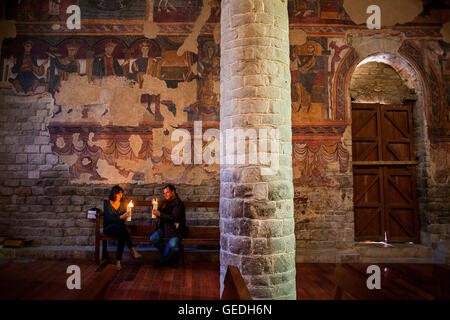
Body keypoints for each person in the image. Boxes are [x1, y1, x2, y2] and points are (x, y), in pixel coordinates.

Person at [103, 185, 142, 270]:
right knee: (122, 230)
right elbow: (110, 219)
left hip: (120, 228)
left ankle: (118, 261)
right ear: (114, 194)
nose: (121, 196)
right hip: (109, 228)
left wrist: (128, 214)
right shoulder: (107, 205)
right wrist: (121, 217)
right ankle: (132, 250)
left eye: (122, 194)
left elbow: (125, 217)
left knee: (122, 235)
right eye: (119, 194)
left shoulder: (123, 203)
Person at [150, 184, 186, 268]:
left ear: (173, 192)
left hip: (175, 231)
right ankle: (170, 258)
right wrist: (155, 207)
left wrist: (159, 213)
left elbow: (174, 218)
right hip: (164, 228)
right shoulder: (165, 202)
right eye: (164, 193)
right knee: (153, 238)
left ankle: (162, 261)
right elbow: (162, 214)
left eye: (167, 192)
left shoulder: (178, 204)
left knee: (172, 244)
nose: (165, 194)